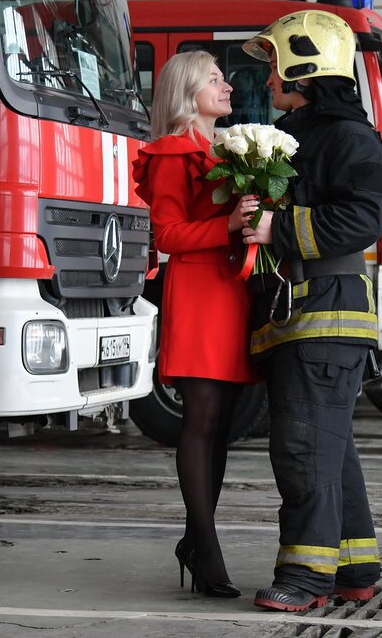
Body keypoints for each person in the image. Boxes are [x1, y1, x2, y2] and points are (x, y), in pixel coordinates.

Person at [238, 10, 382, 612]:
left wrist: (277, 225)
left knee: (303, 450)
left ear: (304, 66)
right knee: (330, 449)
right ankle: (353, 568)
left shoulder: (347, 137)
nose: (267, 78)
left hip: (324, 317)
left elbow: (364, 218)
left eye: (274, 65)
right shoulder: (313, 133)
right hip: (307, 315)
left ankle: (305, 580)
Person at [130, 50, 259, 598]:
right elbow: (167, 236)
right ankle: (206, 549)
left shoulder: (222, 150)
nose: (226, 86)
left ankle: (195, 539)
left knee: (222, 423)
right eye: (214, 79)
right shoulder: (172, 154)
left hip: (231, 291)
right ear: (186, 92)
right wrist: (229, 225)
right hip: (200, 291)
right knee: (202, 419)